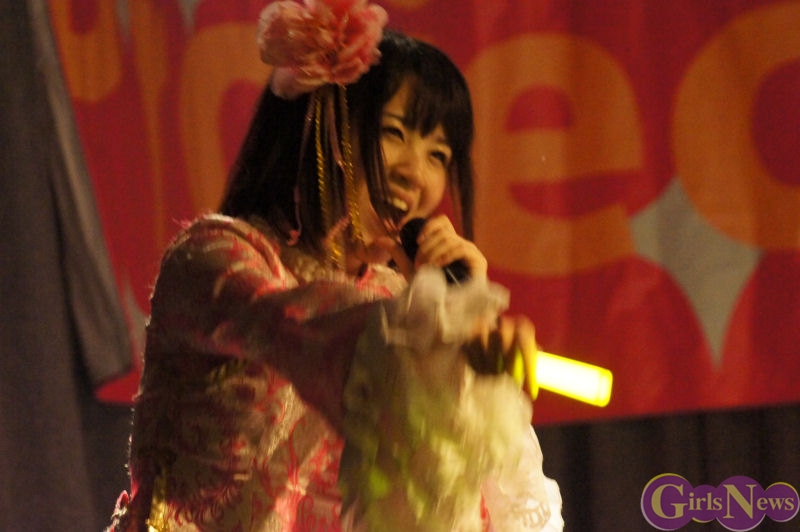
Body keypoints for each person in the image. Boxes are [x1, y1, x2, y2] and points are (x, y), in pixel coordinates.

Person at [108, 1, 562, 530]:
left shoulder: (394, 300)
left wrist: (465, 325)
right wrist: (433, 327)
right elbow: (298, 325)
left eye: (439, 155)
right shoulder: (217, 258)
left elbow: (465, 491)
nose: (416, 174)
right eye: (395, 133)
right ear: (325, 128)